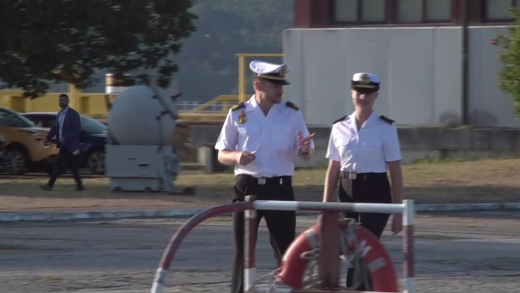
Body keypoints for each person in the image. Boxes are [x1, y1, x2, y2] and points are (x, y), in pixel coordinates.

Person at [215, 60, 315, 293]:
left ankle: (285, 290)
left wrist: (304, 149)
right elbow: (222, 153)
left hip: (280, 187)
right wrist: (237, 156)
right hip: (247, 186)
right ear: (258, 84)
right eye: (275, 85)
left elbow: (307, 154)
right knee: (243, 249)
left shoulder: (291, 113)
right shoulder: (238, 113)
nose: (280, 89)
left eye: (282, 85)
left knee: (286, 250)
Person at [322, 72, 404, 290]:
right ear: (352, 93)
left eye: (368, 93)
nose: (363, 97)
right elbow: (333, 167)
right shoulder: (339, 127)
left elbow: (395, 171)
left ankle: (357, 289)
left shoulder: (386, 128)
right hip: (347, 189)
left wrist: (398, 211)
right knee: (350, 249)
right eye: (359, 92)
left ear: (376, 95)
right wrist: (325, 205)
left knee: (364, 247)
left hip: (376, 189)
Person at [39, 94, 84, 191]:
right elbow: (55, 128)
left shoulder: (73, 114)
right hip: (64, 144)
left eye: (63, 100)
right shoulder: (59, 114)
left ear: (68, 101)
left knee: (58, 163)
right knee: (72, 166)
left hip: (70, 144)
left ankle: (50, 185)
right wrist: (47, 138)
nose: (61, 102)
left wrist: (66, 138)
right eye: (60, 100)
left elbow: (77, 129)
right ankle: (80, 185)